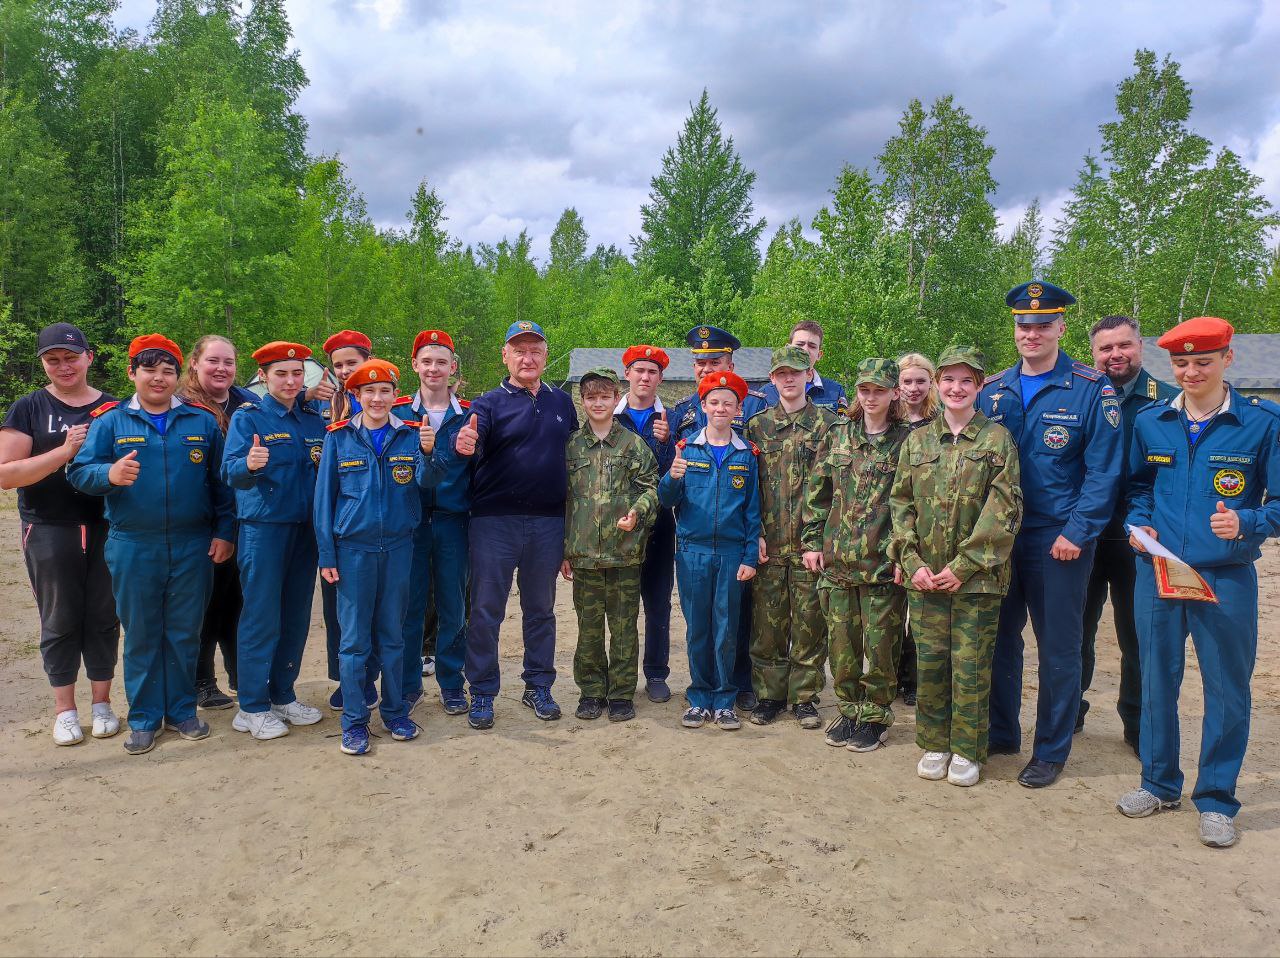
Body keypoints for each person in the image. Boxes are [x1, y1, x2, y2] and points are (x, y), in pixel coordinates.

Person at [1118, 316, 1280, 849]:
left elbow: (1277, 505)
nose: (1191, 371)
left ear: (1227, 360)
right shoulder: (1151, 420)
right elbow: (1139, 487)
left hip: (1226, 578)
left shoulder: (1262, 423)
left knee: (1227, 689)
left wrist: (1247, 523)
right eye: (1181, 363)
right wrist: (1136, 524)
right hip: (1159, 573)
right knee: (1155, 680)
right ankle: (1159, 783)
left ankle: (1216, 798)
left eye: (1202, 362)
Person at [977, 281, 1121, 788]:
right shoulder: (993, 391)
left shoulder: (1089, 389)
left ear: (1061, 327)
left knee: (1058, 646)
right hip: (999, 540)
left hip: (1057, 539)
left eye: (1043, 324)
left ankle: (1051, 750)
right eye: (1023, 325)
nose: (1032, 333)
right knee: (998, 639)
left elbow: (1104, 472)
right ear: (1014, 329)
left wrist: (1079, 531)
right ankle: (1001, 731)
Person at [67, 334, 235, 755]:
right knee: (141, 633)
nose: (158, 378)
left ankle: (180, 711)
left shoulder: (200, 421)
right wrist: (109, 474)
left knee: (183, 631)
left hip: (193, 543)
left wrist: (224, 531)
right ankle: (144, 717)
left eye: (167, 371)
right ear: (132, 373)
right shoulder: (110, 421)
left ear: (180, 376)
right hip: (133, 544)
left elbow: (222, 485)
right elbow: (79, 472)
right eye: (149, 370)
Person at [889, 346, 1022, 787]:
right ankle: (934, 742)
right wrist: (911, 561)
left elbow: (1005, 509)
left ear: (980, 385)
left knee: (970, 666)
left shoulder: (996, 439)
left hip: (977, 581)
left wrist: (964, 566)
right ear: (938, 385)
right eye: (949, 380)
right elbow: (900, 503)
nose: (956, 388)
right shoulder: (918, 440)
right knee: (930, 664)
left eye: (967, 381)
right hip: (924, 579)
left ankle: (967, 749)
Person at [451, 320, 578, 730]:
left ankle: (538, 685)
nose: (528, 357)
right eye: (519, 350)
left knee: (540, 611)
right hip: (495, 523)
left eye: (535, 350)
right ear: (504, 355)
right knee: (486, 611)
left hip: (547, 524)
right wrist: (464, 445)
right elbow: (471, 441)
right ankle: (483, 692)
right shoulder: (487, 404)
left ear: (545, 355)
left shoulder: (562, 402)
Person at [0, 323, 120, 745]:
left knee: (105, 616)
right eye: (54, 360)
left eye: (71, 357)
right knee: (60, 618)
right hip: (49, 526)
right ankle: (65, 710)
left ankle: (103, 703)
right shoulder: (28, 407)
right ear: (43, 364)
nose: (64, 366)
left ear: (89, 357)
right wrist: (64, 452)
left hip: (108, 526)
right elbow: (6, 475)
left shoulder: (114, 407)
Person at [314, 358, 434, 755]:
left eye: (385, 391)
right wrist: (327, 554)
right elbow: (323, 502)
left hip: (399, 549)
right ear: (356, 395)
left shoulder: (411, 435)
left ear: (394, 394)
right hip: (353, 552)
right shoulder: (338, 437)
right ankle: (354, 721)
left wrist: (430, 455)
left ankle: (396, 712)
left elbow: (426, 487)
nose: (378, 398)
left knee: (394, 637)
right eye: (369, 391)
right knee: (353, 643)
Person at [802, 358, 911, 753]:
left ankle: (876, 716)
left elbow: (909, 505)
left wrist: (903, 555)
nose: (870, 397)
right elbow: (818, 493)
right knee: (841, 645)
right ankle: (848, 709)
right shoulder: (838, 435)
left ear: (894, 393)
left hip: (882, 565)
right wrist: (812, 542)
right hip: (837, 564)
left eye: (879, 390)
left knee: (881, 647)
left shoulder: (907, 441)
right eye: (864, 389)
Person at [221, 342, 327, 741]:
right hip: (263, 530)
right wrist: (246, 466)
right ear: (263, 377)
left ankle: (282, 694)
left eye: (297, 373)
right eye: (281, 373)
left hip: (305, 531)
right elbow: (228, 472)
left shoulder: (313, 420)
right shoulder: (249, 420)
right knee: (261, 616)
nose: (290, 381)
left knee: (296, 617)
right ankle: (251, 706)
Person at [1079, 315, 1176, 751]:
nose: (1115, 355)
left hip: (1140, 538)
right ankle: (1070, 713)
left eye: (1124, 346)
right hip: (1085, 536)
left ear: (1141, 346)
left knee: (1138, 636)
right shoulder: (1080, 397)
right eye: (1105, 348)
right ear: (1093, 353)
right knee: (1074, 631)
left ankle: (1137, 724)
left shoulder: (1169, 403)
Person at [670, 325, 767, 711]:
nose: (707, 367)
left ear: (731, 362)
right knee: (700, 621)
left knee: (736, 620)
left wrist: (755, 536)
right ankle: (704, 689)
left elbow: (762, 480)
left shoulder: (756, 408)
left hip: (736, 536)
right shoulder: (680, 413)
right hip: (693, 539)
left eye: (715, 361)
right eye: (701, 362)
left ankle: (736, 686)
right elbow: (672, 477)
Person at [561, 367, 659, 723]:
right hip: (584, 555)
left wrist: (637, 512)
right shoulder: (571, 446)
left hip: (624, 554)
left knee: (623, 628)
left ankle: (620, 693)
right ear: (582, 401)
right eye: (591, 397)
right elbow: (563, 500)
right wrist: (564, 550)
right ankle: (591, 691)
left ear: (616, 398)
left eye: (605, 396)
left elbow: (651, 488)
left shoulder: (633, 445)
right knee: (588, 629)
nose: (598, 403)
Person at [744, 346, 834, 728]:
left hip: (810, 545)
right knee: (768, 625)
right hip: (770, 542)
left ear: (808, 373)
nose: (788, 379)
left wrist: (824, 540)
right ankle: (769, 696)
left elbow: (836, 487)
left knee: (810, 625)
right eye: (781, 374)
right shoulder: (757, 427)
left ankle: (804, 698)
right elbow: (747, 489)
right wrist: (756, 534)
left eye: (795, 372)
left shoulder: (831, 426)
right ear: (773, 378)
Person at [179, 334, 260, 710]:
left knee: (238, 603)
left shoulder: (247, 402)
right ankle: (201, 681)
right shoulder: (181, 405)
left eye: (228, 362)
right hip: (202, 521)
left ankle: (242, 676)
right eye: (213, 361)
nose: (221, 369)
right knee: (205, 606)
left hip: (244, 518)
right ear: (195, 363)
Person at [401, 330, 472, 717]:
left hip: (453, 522)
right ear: (415, 365)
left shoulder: (470, 414)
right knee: (409, 607)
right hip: (409, 524)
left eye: (441, 362)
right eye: (426, 361)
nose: (433, 369)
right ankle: (409, 684)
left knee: (453, 607)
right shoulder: (397, 412)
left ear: (453, 367)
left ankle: (450, 682)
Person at [315, 330, 379, 712]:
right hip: (332, 518)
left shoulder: (384, 404)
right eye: (337, 365)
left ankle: (370, 677)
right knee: (339, 610)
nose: (343, 371)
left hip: (370, 522)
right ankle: (347, 679)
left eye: (351, 363)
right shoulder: (318, 406)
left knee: (375, 609)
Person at [614, 345, 678, 704]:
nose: (644, 377)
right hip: (619, 523)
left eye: (652, 372)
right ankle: (620, 675)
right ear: (627, 374)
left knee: (657, 604)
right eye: (638, 370)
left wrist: (667, 443)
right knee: (621, 604)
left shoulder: (669, 419)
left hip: (658, 523)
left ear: (660, 378)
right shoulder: (611, 413)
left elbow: (673, 475)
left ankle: (656, 673)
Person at [895, 352, 939, 708]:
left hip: (927, 528)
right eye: (906, 382)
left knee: (920, 612)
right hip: (888, 524)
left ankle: (913, 677)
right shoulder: (887, 421)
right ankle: (891, 674)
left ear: (931, 384)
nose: (913, 388)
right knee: (891, 608)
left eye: (920, 381)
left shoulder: (939, 423)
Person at [760, 320, 849, 413]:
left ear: (819, 354)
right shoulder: (765, 394)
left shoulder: (834, 391)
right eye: (800, 344)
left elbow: (842, 424)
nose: (805, 350)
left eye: (812, 346)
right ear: (788, 348)